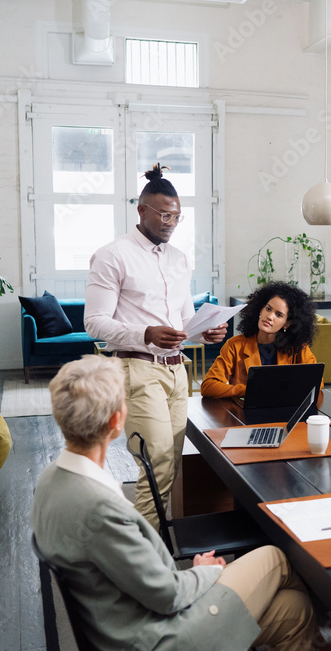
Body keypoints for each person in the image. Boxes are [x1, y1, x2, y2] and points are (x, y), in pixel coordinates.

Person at [32, 355, 318, 651]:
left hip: (122, 630)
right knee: (274, 557)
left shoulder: (50, 481)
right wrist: (205, 572)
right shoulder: (100, 508)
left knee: (295, 610)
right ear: (117, 421)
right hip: (159, 645)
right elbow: (168, 595)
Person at [84, 163, 227, 529]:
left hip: (178, 372)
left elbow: (182, 324)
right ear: (141, 210)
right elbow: (93, 323)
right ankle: (142, 556)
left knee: (169, 463)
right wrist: (145, 334)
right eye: (164, 214)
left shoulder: (180, 260)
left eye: (176, 216)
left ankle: (151, 545)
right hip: (135, 370)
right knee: (157, 461)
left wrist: (204, 333)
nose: (170, 222)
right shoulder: (112, 255)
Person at [201, 281, 322, 399]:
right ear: (260, 310)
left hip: (285, 411)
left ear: (287, 324)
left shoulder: (297, 348)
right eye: (268, 309)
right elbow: (208, 386)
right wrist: (249, 390)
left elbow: (317, 382)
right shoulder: (235, 345)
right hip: (245, 414)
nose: (269, 316)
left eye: (278, 315)